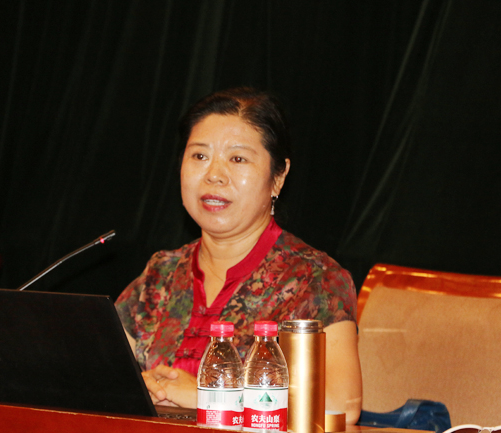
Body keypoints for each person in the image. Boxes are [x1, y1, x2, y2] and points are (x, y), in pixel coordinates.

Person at [115, 87, 362, 424]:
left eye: (238, 159)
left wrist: (208, 395)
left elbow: (340, 404)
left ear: (278, 177)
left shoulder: (314, 280)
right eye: (199, 156)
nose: (214, 174)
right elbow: (96, 375)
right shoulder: (161, 273)